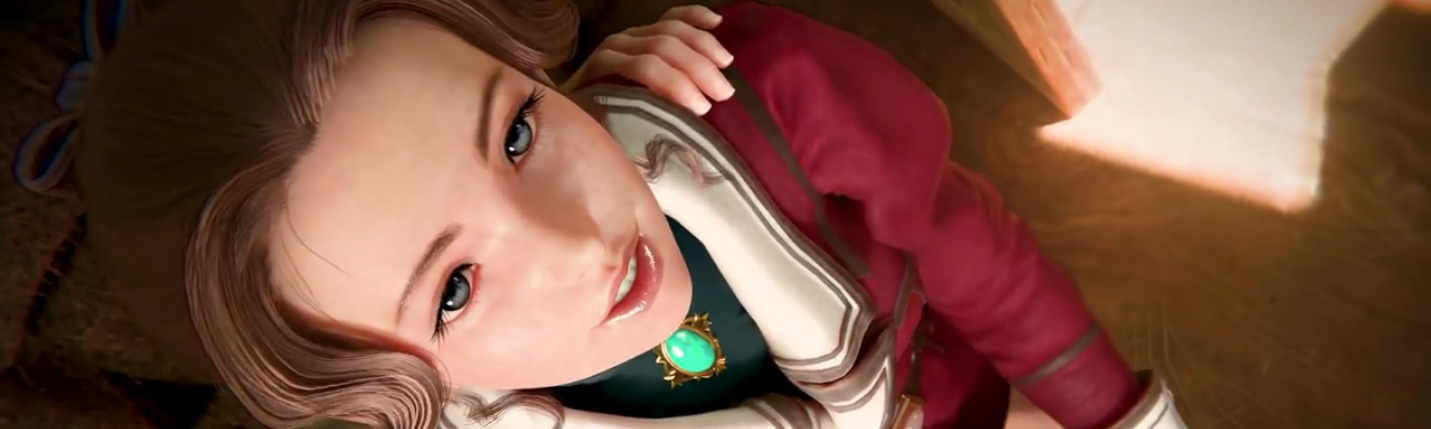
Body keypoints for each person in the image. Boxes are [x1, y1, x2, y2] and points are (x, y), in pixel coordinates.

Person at [68, 0, 1190, 427]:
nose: (581, 244)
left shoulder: (763, 88)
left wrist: (1105, 414)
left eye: (517, 132)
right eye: (453, 289)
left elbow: (972, 247)